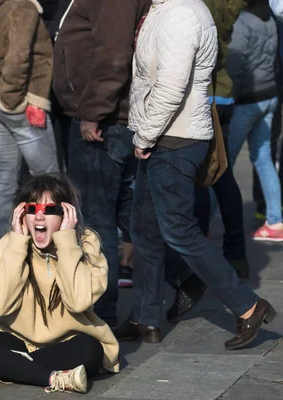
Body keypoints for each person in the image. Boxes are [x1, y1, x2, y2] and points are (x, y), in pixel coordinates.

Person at [115, 0, 277, 350]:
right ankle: (145, 316)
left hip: (175, 138)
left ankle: (248, 306)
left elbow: (171, 87)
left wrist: (144, 136)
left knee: (180, 232)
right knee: (144, 228)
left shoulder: (182, 13)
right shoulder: (164, 9)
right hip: (162, 135)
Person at [0, 175, 119, 394]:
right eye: (31, 208)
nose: (39, 215)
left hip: (69, 345)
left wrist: (66, 241)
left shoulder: (86, 244)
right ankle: (51, 377)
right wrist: (17, 245)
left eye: (49, 210)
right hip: (18, 342)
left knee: (91, 350)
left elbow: (78, 302)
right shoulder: (7, 246)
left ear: (66, 214)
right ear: (22, 214)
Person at [52, 0, 151, 327]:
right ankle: (180, 277)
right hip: (104, 116)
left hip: (104, 120)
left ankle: (103, 311)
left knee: (97, 218)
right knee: (122, 210)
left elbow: (113, 56)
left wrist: (93, 112)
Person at [0, 0, 60, 241]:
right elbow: (18, 55)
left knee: (5, 178)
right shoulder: (23, 5)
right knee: (48, 179)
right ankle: (52, 246)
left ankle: (5, 248)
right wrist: (14, 99)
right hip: (20, 102)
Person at [226, 0, 282, 241]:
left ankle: (202, 224)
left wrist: (231, 92)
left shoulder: (243, 21)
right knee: (263, 158)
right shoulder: (269, 17)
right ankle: (275, 221)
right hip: (269, 95)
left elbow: (235, 63)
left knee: (222, 165)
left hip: (247, 100)